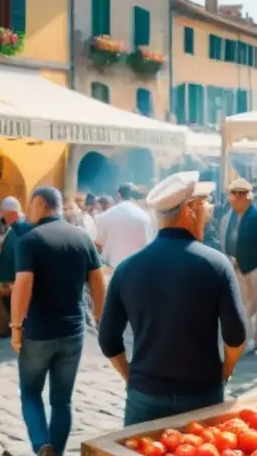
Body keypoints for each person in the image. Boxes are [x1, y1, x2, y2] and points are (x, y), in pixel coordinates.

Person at [99, 171, 247, 425]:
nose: (209, 212)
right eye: (205, 205)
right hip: (202, 393)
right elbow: (236, 335)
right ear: (190, 210)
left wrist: (131, 378)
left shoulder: (126, 268)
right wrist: (225, 372)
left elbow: (108, 339)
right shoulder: (216, 264)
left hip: (145, 394)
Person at [10, 187, 106, 456]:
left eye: (30, 205)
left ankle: (44, 448)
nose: (28, 211)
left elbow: (23, 286)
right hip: (73, 329)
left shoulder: (30, 241)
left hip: (39, 330)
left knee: (30, 392)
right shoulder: (82, 237)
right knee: (62, 399)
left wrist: (16, 328)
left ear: (40, 205)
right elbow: (99, 283)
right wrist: (100, 319)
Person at [220, 179, 257, 353]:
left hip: (255, 267)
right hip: (236, 267)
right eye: (232, 196)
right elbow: (226, 241)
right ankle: (246, 340)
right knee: (243, 306)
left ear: (245, 197)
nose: (232, 200)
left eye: (236, 196)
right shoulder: (230, 217)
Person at [94, 183, 155, 270]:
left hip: (112, 269)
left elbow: (99, 243)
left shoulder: (105, 215)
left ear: (118, 195)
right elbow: (148, 245)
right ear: (131, 195)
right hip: (137, 269)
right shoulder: (144, 216)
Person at [0, 197, 32, 313]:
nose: (3, 219)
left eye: (4, 215)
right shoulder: (19, 228)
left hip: (14, 283)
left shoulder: (21, 230)